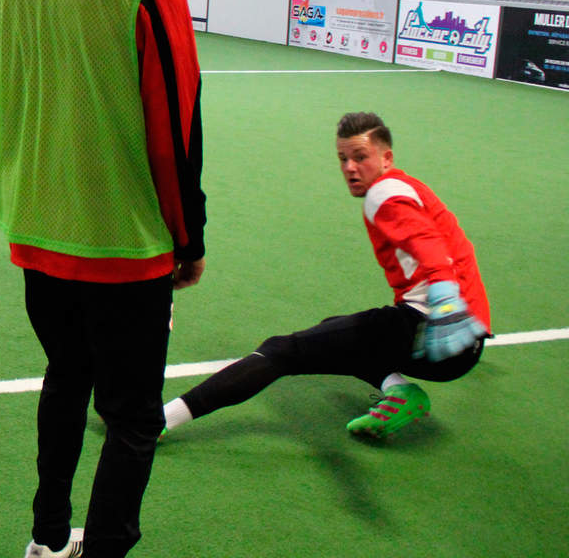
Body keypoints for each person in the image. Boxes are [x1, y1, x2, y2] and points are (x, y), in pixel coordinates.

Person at [0, 0, 206, 558]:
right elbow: (176, 128)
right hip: (126, 247)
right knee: (135, 416)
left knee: (65, 378)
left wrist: (34, 179)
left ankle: (45, 541)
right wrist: (188, 237)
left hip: (36, 234)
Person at [160, 112, 490, 442]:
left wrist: (446, 297)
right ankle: (400, 391)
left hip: (433, 330)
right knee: (338, 330)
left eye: (361, 157)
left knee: (280, 351)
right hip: (464, 342)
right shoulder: (410, 188)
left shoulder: (384, 193)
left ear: (386, 158)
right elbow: (454, 246)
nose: (349, 167)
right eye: (343, 159)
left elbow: (426, 243)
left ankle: (159, 419)